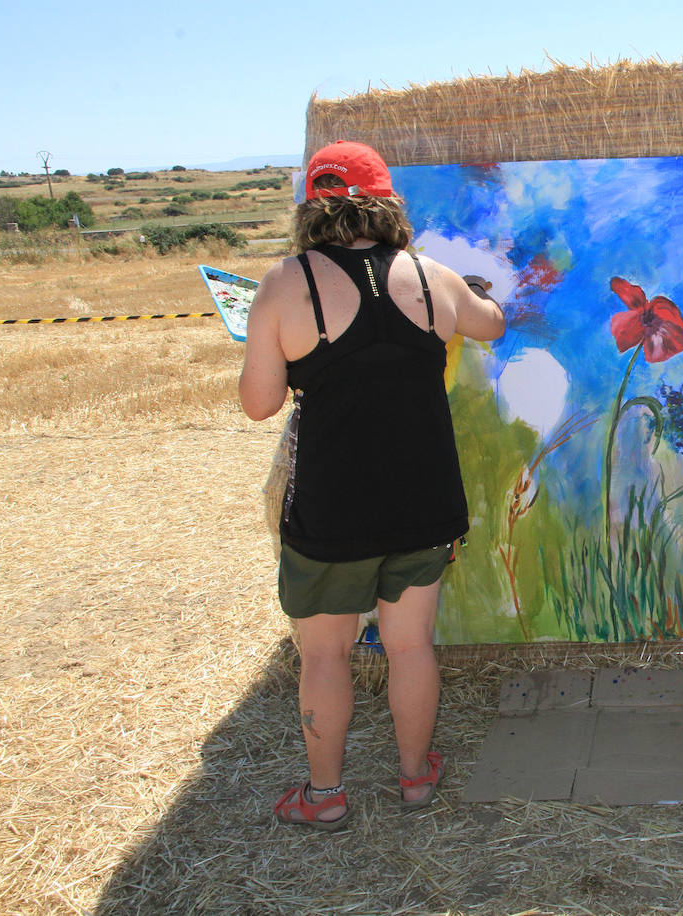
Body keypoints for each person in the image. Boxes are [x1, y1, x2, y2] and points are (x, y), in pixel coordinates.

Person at [239, 140, 505, 830]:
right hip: (426, 504)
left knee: (324, 654)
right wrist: (471, 294)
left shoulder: (282, 283)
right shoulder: (432, 276)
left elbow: (259, 403)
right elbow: (494, 325)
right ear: (385, 203)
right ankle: (416, 780)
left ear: (311, 208)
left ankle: (325, 797)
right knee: (411, 645)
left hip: (332, 511)